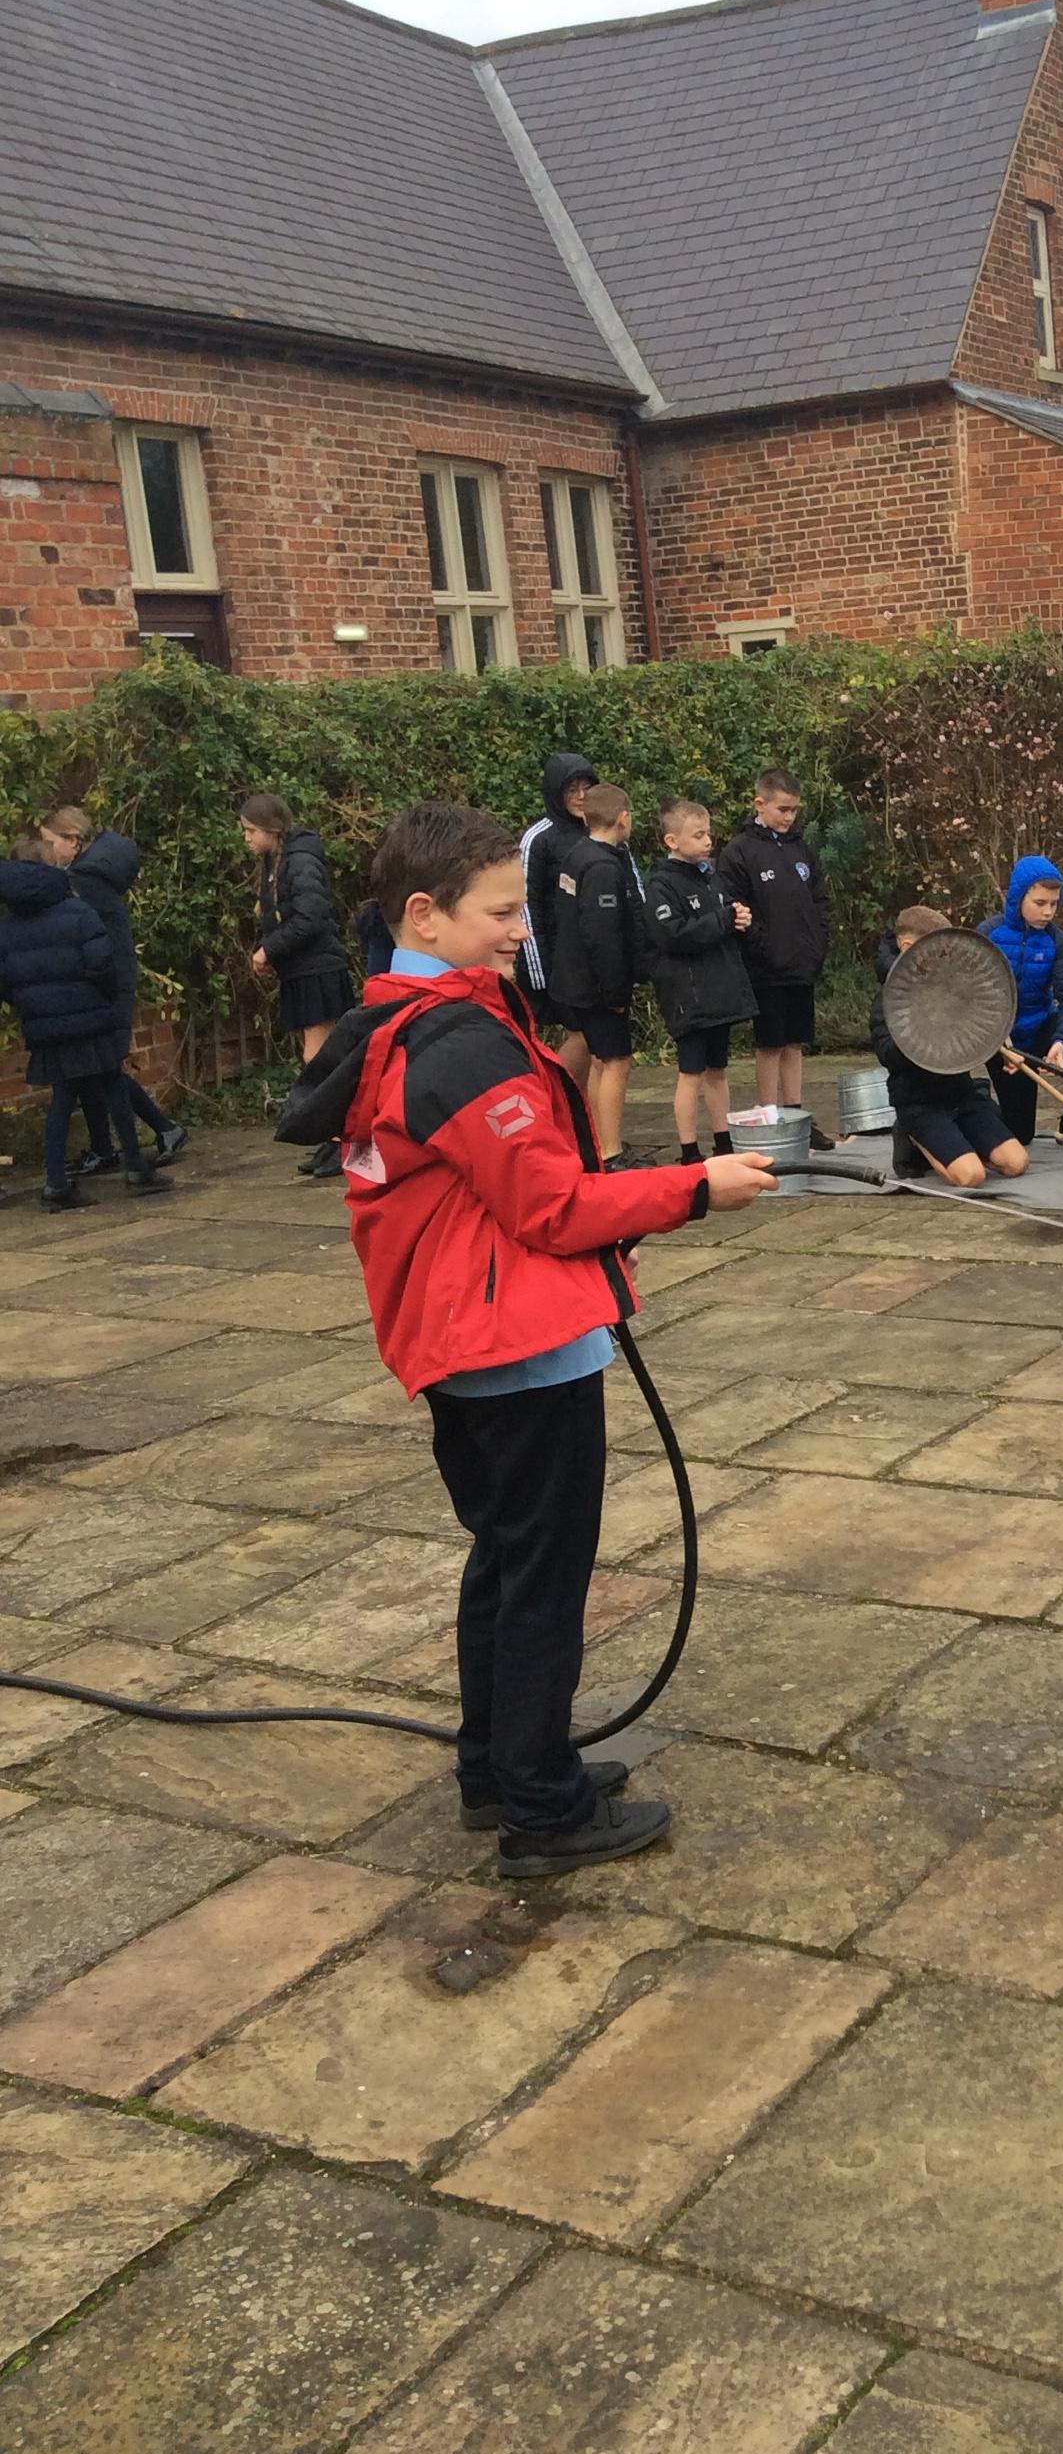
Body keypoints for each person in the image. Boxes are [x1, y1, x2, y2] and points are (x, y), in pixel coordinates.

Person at [275, 798, 777, 1878]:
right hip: (512, 1349)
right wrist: (695, 1186)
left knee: (505, 1560)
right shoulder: (457, 1044)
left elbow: (493, 1197)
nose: (520, 930)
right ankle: (542, 1810)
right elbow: (548, 1205)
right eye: (501, 913)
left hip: (469, 1336)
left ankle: (498, 1769)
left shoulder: (411, 1019)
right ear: (425, 913)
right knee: (541, 1576)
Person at [0, 837, 172, 1211]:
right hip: (90, 1016)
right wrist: (103, 1002)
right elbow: (102, 965)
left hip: (45, 1025)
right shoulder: (78, 911)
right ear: (50, 867)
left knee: (62, 1099)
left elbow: (6, 983)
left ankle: (55, 1183)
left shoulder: (6, 926)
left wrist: (34, 1006)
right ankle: (136, 1169)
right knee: (113, 1085)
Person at [39, 806, 187, 1176]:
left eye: (50, 842)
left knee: (104, 1067)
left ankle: (162, 1129)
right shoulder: (86, 875)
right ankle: (110, 1146)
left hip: (107, 984)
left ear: (72, 841)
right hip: (109, 980)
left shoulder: (83, 880)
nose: (46, 850)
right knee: (95, 1068)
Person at [716, 766, 834, 1149]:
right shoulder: (739, 852)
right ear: (760, 804)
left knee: (795, 1043)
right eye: (783, 809)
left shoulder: (801, 849)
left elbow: (820, 900)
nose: (789, 817)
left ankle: (796, 1116)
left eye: (794, 810)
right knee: (770, 1045)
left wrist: (816, 945)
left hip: (801, 964)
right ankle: (770, 1117)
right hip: (765, 969)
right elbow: (735, 908)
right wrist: (762, 947)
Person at [873, 906, 1029, 1189]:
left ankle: (959, 1143)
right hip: (919, 1103)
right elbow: (887, 1055)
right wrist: (925, 1033)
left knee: (1016, 1163)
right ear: (907, 947)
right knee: (971, 1177)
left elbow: (973, 1032)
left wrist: (999, 1046)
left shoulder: (950, 987)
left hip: (960, 1093)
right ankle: (911, 1136)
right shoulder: (889, 998)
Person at [240, 791, 353, 1179]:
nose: (247, 838)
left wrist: (268, 951)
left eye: (251, 830)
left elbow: (310, 916)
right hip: (302, 970)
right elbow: (282, 915)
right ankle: (335, 1136)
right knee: (322, 1057)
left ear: (271, 828)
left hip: (318, 969)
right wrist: (271, 953)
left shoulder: (300, 860)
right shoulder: (276, 862)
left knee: (317, 1057)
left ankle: (340, 1138)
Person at [641, 799, 756, 1166]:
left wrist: (739, 920)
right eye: (698, 835)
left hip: (719, 990)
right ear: (672, 841)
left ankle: (724, 1142)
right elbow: (672, 934)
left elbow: (724, 918)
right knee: (690, 1073)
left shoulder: (712, 876)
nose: (708, 841)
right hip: (688, 996)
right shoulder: (661, 885)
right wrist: (723, 920)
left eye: (708, 833)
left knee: (718, 1071)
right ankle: (689, 1150)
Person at [551, 783, 651, 1168]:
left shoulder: (576, 855)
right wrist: (615, 991)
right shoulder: (603, 867)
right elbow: (603, 935)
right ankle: (610, 1152)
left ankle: (598, 1143)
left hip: (574, 980)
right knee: (617, 1062)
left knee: (600, 1060)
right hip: (597, 986)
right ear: (623, 818)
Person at [978, 856, 1063, 1147]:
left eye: (1054, 904)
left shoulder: (1056, 941)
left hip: (1038, 1030)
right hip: (1000, 1040)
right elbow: (971, 996)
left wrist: (1060, 1042)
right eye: (1040, 903)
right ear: (1018, 898)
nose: (1048, 912)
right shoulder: (988, 935)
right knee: (1020, 1135)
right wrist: (999, 1037)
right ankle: (976, 1102)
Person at [516, 751, 599, 1090]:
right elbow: (525, 902)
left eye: (586, 788)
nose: (581, 797)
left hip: (596, 958)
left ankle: (579, 1111)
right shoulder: (538, 838)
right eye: (571, 790)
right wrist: (539, 970)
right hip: (557, 961)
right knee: (582, 1036)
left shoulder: (601, 829)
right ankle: (546, 1096)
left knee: (598, 1044)